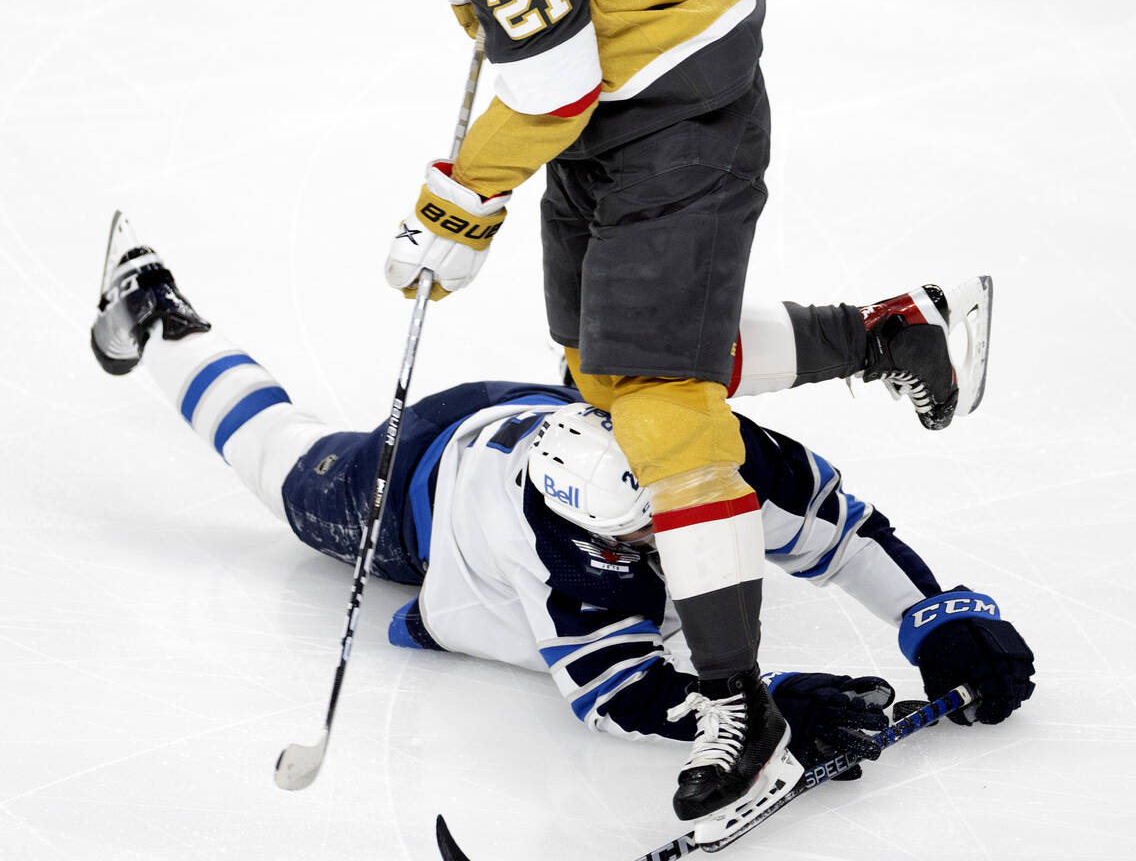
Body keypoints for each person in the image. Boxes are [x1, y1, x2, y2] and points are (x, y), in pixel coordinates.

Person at [301, 0, 997, 836]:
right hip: (642, 96)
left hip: (663, 113)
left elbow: (551, 86)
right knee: (600, 363)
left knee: (658, 402)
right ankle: (890, 332)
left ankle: (741, 714)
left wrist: (458, 206)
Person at [91, 214, 1032, 842]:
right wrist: (766, 697)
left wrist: (941, 616)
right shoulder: (572, 554)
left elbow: (844, 534)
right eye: (638, 542)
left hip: (533, 413)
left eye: (669, 519)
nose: (661, 542)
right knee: (286, 466)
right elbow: (613, 691)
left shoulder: (716, 453)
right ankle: (160, 311)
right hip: (420, 488)